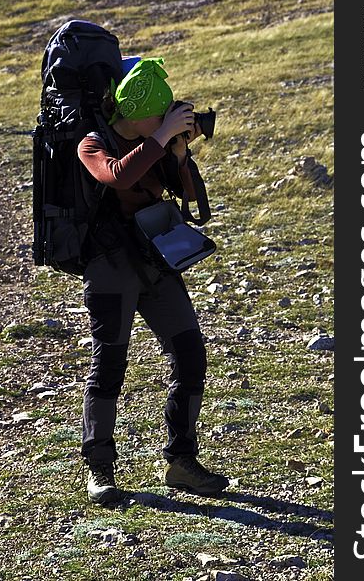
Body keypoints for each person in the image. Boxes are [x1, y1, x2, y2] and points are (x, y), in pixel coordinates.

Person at [76, 58, 229, 505]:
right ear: (138, 113)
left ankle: (181, 461)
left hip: (155, 262)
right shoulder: (92, 143)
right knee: (110, 365)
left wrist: (179, 156)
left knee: (190, 353)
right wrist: (162, 139)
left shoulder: (157, 143)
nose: (164, 124)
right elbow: (116, 174)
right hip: (109, 268)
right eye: (158, 117)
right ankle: (99, 467)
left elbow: (192, 199)